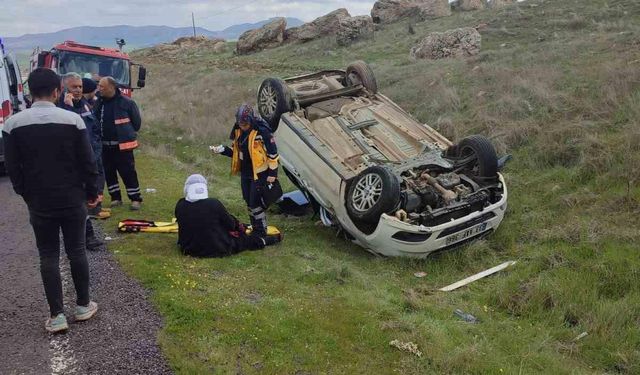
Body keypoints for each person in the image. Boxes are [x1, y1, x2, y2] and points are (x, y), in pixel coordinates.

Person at [2, 68, 99, 333]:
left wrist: (26, 193)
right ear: (57, 91)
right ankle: (82, 306)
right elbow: (87, 160)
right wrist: (93, 191)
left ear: (30, 92)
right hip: (72, 197)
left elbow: (13, 167)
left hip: (40, 200)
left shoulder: (12, 124)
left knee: (48, 255)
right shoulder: (72, 121)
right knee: (76, 250)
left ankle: (56, 316)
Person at [58, 73, 109, 251]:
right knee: (76, 203)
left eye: (80, 87)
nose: (78, 90)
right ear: (64, 88)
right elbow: (69, 131)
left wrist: (96, 153)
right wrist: (69, 108)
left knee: (85, 201)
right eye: (74, 87)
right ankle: (83, 239)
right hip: (72, 165)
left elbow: (94, 130)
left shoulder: (86, 105)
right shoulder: (62, 109)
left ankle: (87, 238)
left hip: (89, 159)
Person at [211, 104, 279, 237]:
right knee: (248, 201)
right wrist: (222, 150)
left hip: (260, 173)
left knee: (255, 202)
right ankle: (255, 227)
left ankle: (261, 231)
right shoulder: (238, 131)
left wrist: (272, 174)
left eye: (245, 124)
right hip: (246, 173)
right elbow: (237, 152)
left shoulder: (262, 131)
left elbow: (273, 154)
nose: (242, 126)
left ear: (251, 121)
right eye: (240, 124)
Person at [174, 174, 281, 258]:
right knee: (245, 241)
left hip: (187, 249)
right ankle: (268, 240)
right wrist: (239, 227)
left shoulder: (180, 204)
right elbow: (230, 224)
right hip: (216, 248)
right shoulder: (213, 204)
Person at [95, 76, 143, 210]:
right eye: (99, 86)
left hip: (123, 147)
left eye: (102, 86)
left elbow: (136, 124)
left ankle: (135, 199)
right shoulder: (99, 102)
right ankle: (115, 198)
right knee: (109, 173)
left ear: (112, 87)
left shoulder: (127, 103)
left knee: (128, 173)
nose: (99, 89)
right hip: (105, 146)